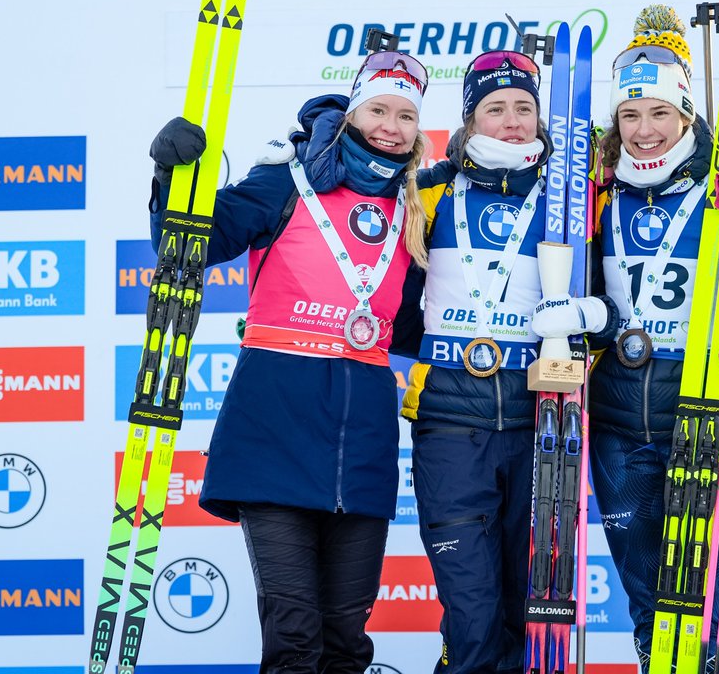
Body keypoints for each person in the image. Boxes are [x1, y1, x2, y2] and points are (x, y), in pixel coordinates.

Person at [534, 5, 719, 673]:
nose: (643, 130)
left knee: (705, 605)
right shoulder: (597, 197)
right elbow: (597, 300)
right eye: (630, 116)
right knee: (648, 603)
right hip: (612, 423)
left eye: (659, 114)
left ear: (686, 115)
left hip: (704, 415)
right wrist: (582, 316)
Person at [148, 50, 431, 674]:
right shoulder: (291, 179)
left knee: (346, 639)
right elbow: (193, 241)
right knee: (295, 635)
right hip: (273, 428)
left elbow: (426, 321)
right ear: (353, 112)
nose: (390, 125)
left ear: (419, 129)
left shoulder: (417, 208)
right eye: (378, 109)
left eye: (405, 115)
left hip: (361, 441)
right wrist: (173, 178)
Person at [395, 49, 617, 674]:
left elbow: (619, 285)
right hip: (447, 423)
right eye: (496, 108)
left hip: (543, 420)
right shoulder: (427, 189)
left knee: (531, 608)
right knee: (470, 611)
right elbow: (371, 268)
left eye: (525, 107)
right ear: (469, 120)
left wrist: (596, 320)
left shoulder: (574, 201)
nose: (513, 121)